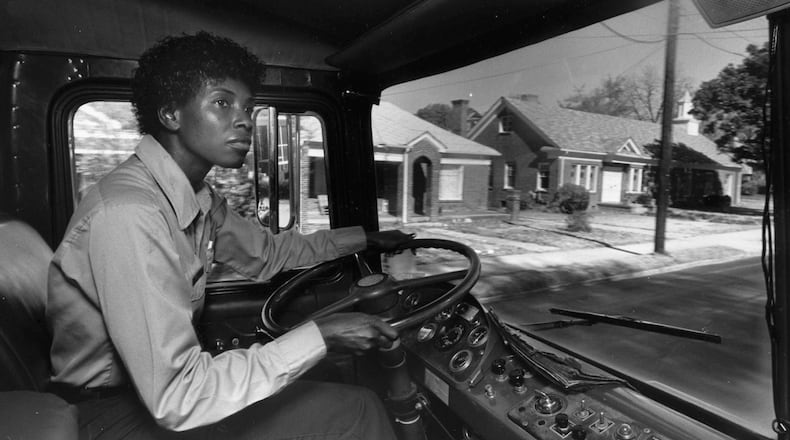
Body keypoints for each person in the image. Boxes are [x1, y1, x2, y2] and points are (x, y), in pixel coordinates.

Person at [45, 31, 409, 439]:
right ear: (170, 114)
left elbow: (267, 253)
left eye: (248, 107)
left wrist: (364, 239)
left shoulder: (197, 198)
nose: (245, 120)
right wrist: (320, 336)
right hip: (106, 416)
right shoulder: (130, 213)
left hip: (148, 398)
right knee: (357, 412)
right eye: (222, 102)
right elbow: (178, 397)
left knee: (355, 403)